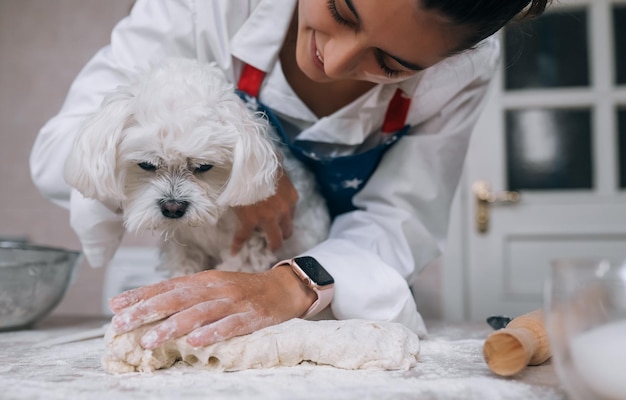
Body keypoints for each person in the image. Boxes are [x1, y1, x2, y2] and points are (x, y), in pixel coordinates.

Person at [30, 0, 551, 349]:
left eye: (390, 62)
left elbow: (402, 218)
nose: (337, 59)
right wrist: (237, 175)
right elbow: (58, 154)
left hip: (337, 306)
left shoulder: (462, 72)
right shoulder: (208, 7)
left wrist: (295, 284)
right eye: (342, 9)